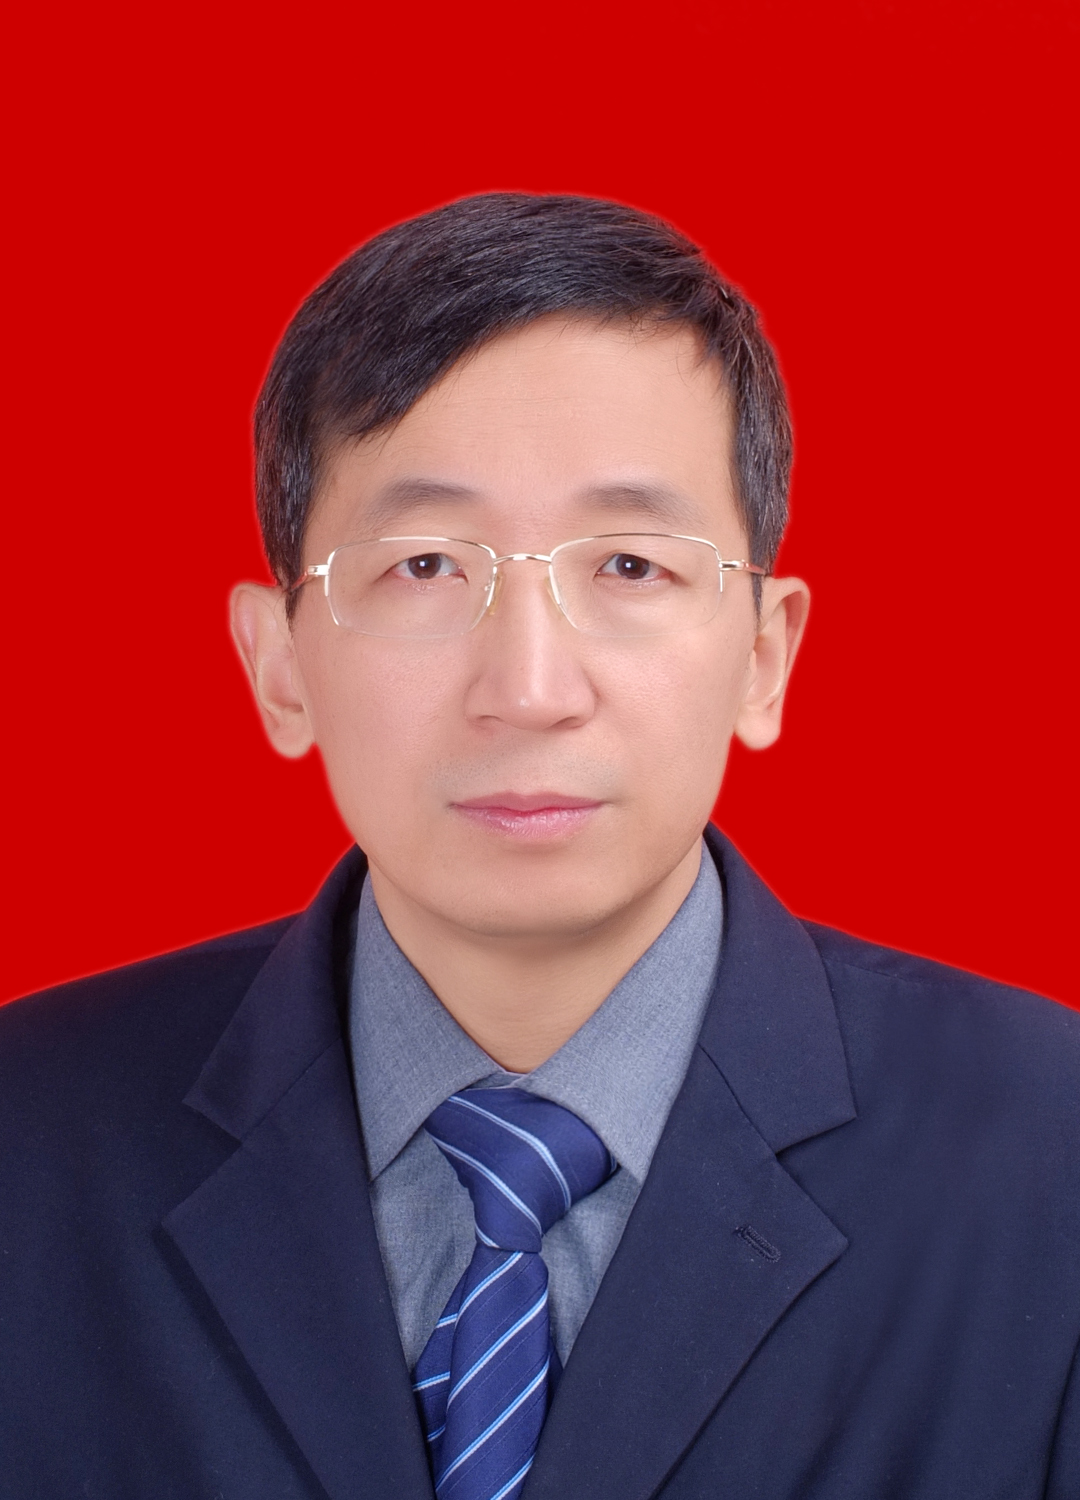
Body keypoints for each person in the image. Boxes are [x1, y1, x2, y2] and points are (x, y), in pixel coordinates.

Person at [1, 193, 1078, 1500]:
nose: (528, 689)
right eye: (424, 567)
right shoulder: (29, 1140)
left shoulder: (1049, 1153)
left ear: (765, 654)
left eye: (628, 566)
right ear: (277, 666)